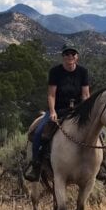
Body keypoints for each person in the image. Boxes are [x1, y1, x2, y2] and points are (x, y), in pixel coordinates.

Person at [25, 44, 90, 182]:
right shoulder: (55, 72)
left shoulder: (83, 72)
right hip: (58, 109)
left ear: (77, 57)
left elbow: (85, 95)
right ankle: (35, 165)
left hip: (77, 111)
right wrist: (53, 111)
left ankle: (101, 165)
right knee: (38, 133)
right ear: (63, 56)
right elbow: (51, 95)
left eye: (73, 54)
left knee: (99, 133)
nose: (70, 56)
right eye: (67, 54)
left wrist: (87, 112)